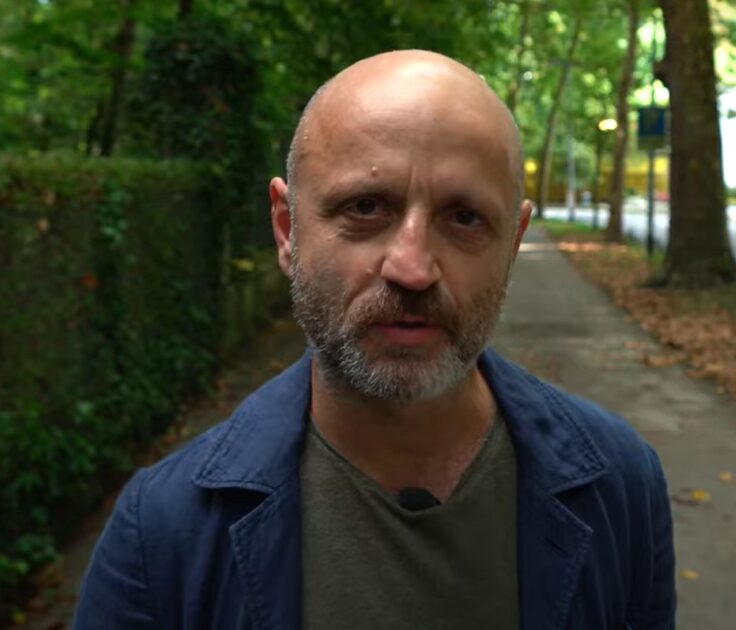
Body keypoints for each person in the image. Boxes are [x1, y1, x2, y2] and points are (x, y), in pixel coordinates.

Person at [74, 49, 676, 629]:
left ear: (512, 245)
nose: (411, 268)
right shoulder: (162, 535)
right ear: (287, 231)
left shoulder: (621, 489)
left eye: (464, 218)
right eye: (366, 207)